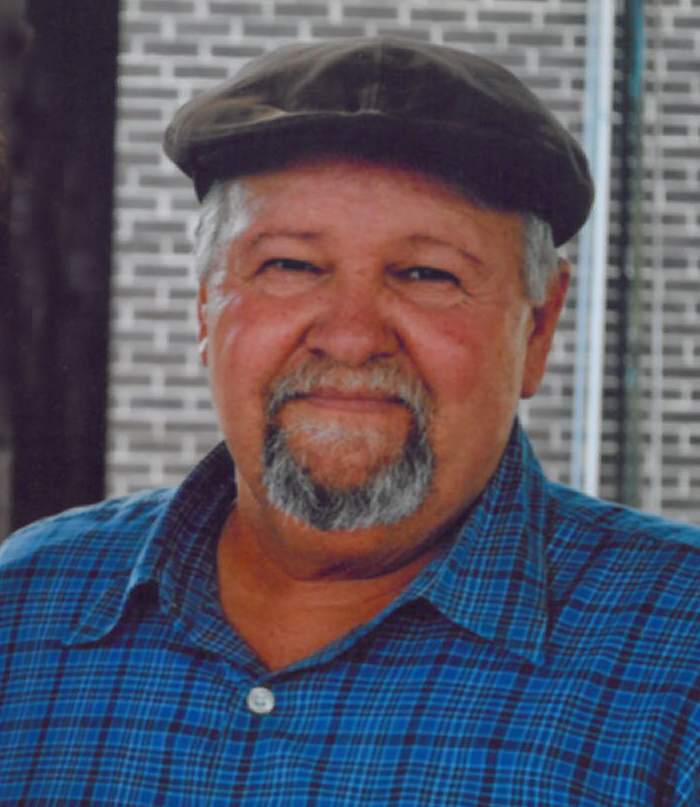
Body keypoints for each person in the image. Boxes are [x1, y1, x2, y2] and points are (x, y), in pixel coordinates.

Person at [1, 38, 699, 807]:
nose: (352, 336)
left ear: (538, 328)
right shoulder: (24, 607)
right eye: (291, 265)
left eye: (428, 273)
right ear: (205, 307)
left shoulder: (682, 654)